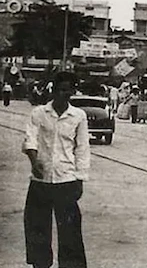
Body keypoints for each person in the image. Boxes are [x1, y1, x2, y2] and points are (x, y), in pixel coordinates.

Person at [22, 71, 90, 268]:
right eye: (60, 90)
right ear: (53, 90)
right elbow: (30, 139)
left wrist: (80, 178)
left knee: (70, 228)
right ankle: (40, 264)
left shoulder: (78, 116)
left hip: (66, 180)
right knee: (37, 225)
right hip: (40, 180)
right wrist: (34, 162)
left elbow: (82, 148)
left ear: (73, 92)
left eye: (68, 91)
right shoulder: (39, 113)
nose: (63, 95)